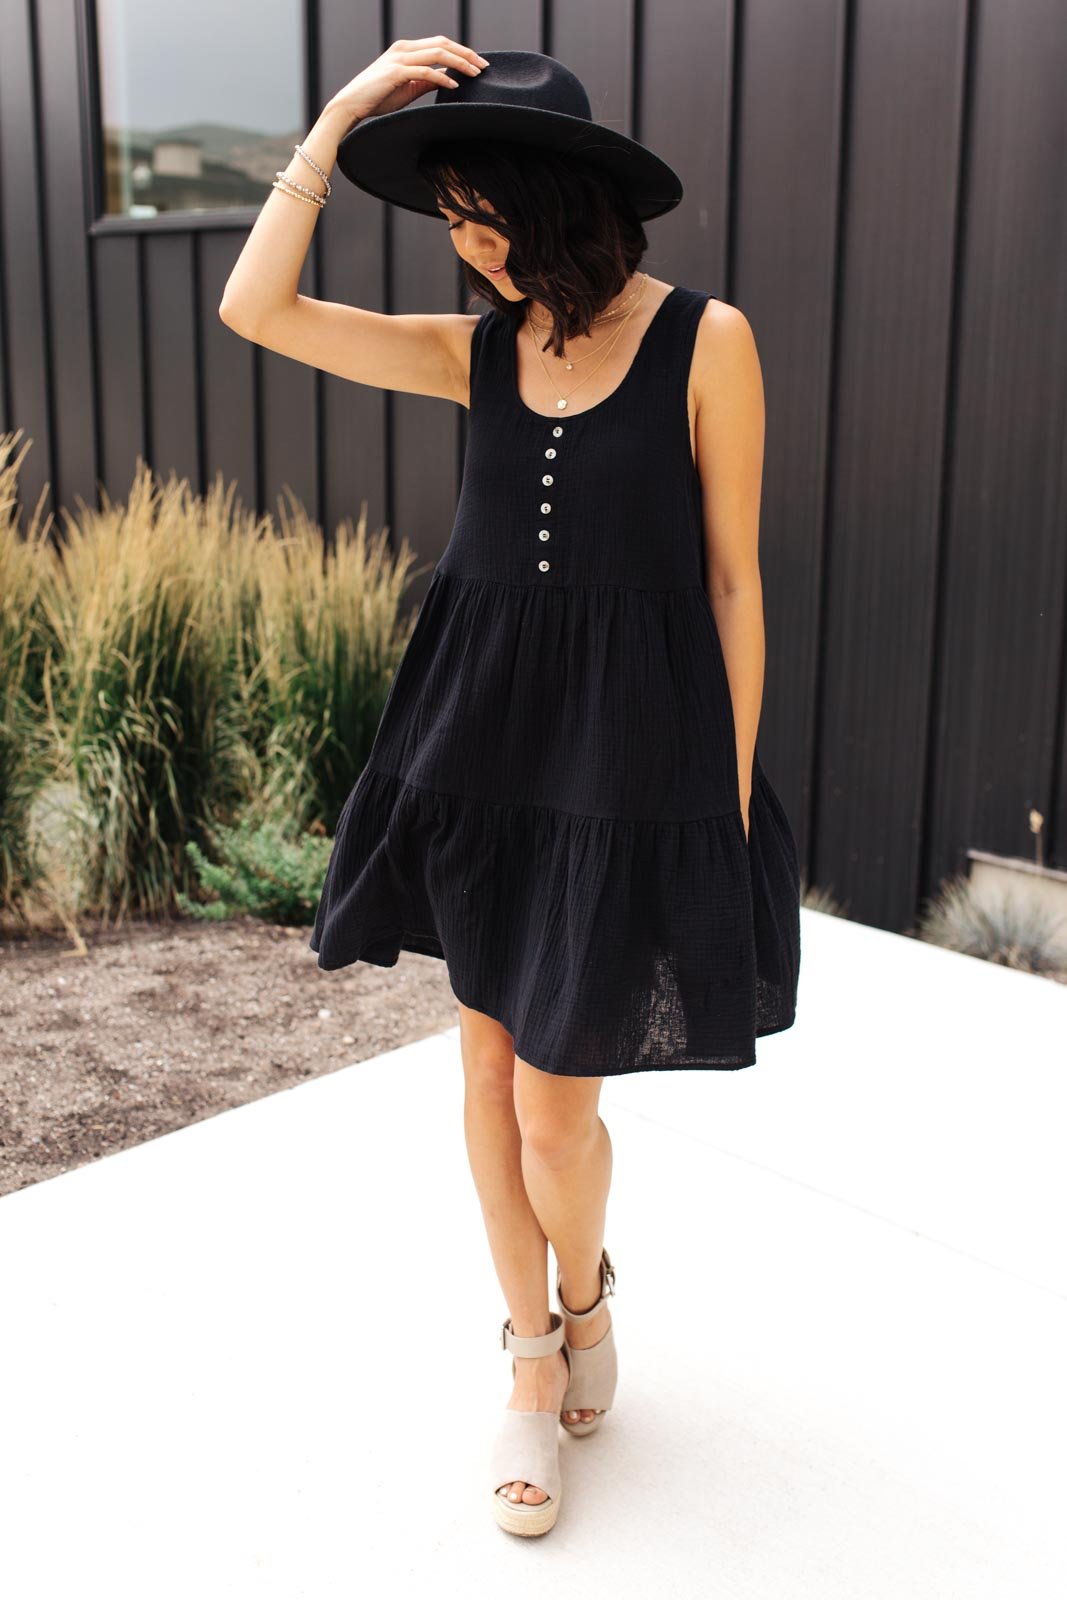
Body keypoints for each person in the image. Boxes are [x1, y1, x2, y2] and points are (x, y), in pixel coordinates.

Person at [219, 39, 801, 1537]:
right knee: (483, 1074)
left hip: (627, 765)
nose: (470, 248)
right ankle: (531, 1359)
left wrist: (723, 796)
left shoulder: (707, 341)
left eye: (487, 216)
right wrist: (339, 119)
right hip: (479, 747)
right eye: (453, 221)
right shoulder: (471, 349)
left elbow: (734, 584)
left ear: (560, 201)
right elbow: (255, 308)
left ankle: (587, 1293)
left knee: (556, 1107)